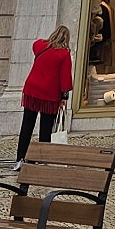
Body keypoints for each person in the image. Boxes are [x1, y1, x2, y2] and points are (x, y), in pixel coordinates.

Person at [17, 25, 75, 166]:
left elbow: (35, 44)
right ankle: (42, 158)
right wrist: (64, 97)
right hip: (50, 94)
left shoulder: (40, 45)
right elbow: (65, 77)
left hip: (32, 90)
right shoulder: (64, 54)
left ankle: (20, 158)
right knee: (46, 128)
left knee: (27, 126)